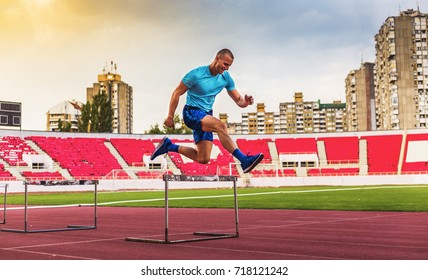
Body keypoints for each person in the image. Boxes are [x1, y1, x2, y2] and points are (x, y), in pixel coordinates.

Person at [151, 48, 263, 173]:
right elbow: (177, 93)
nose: (226, 68)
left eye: (229, 66)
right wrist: (170, 116)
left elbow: (238, 100)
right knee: (221, 125)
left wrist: (246, 102)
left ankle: (169, 146)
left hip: (206, 115)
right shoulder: (196, 75)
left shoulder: (226, 78)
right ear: (217, 58)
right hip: (192, 112)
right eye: (225, 64)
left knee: (203, 158)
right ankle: (244, 160)